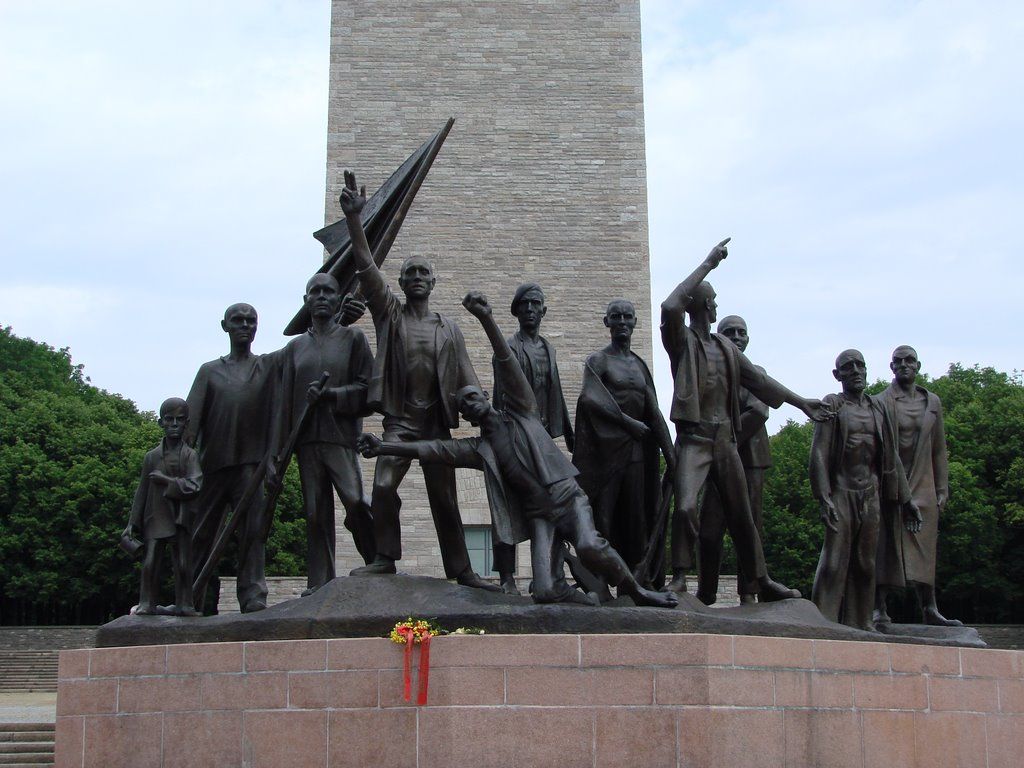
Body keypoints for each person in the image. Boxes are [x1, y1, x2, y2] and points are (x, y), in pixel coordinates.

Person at [358, 292, 679, 609]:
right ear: (466, 417)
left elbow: (506, 360)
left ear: (485, 396)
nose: (469, 405)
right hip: (543, 515)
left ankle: (638, 592)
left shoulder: (523, 410)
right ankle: (580, 599)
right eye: (464, 406)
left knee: (588, 544)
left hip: (568, 500)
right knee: (544, 591)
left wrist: (485, 318)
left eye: (472, 397)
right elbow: (432, 448)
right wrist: (384, 445)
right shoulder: (479, 449)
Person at [340, 170, 495, 591]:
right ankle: (385, 557)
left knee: (445, 500)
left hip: (436, 424)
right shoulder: (390, 314)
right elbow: (367, 266)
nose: (416, 277)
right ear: (403, 284)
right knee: (385, 485)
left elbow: (467, 376)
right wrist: (356, 220)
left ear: (433, 281)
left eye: (423, 272)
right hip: (400, 421)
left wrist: (485, 410)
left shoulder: (449, 329)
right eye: (409, 273)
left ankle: (462, 570)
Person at [660, 238, 828, 601]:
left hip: (726, 441)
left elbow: (762, 383)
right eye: (713, 299)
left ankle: (759, 579)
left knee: (742, 516)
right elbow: (670, 304)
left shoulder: (727, 350)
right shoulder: (682, 342)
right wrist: (708, 263)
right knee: (687, 506)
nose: (717, 303)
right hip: (695, 438)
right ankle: (678, 576)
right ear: (702, 304)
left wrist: (802, 404)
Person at [271, 273, 376, 596]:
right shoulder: (294, 349)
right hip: (306, 442)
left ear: (337, 298)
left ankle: (376, 561)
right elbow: (283, 404)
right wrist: (276, 455)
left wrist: (332, 395)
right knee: (316, 513)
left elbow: (369, 390)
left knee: (356, 502)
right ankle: (319, 581)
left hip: (340, 437)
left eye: (327, 291)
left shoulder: (353, 339)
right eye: (314, 292)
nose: (320, 296)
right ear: (306, 301)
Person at [809, 349, 919, 631]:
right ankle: (823, 622)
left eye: (860, 365)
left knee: (866, 563)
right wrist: (823, 497)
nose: (856, 370)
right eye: (848, 367)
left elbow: (892, 456)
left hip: (870, 493)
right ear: (838, 375)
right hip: (841, 491)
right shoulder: (833, 405)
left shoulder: (877, 408)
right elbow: (819, 453)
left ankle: (860, 622)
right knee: (834, 561)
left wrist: (907, 499)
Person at [573, 299, 674, 587]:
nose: (621, 322)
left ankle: (635, 582)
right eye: (615, 317)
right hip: (605, 454)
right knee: (602, 519)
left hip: (636, 455)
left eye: (627, 317)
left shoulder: (639, 366)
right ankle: (598, 581)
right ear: (606, 322)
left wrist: (672, 456)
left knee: (636, 518)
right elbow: (589, 398)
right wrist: (627, 422)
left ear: (634, 322)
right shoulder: (599, 360)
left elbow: (653, 413)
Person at [489, 283, 574, 594]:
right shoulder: (509, 347)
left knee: (550, 505)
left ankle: (552, 574)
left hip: (540, 437)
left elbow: (557, 394)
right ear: (516, 311)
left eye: (535, 304)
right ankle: (507, 578)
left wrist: (566, 432)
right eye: (523, 304)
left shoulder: (548, 348)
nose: (529, 310)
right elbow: (500, 392)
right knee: (505, 507)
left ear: (543, 310)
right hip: (513, 434)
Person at [874, 345, 960, 626]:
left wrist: (942, 488)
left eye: (909, 360)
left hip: (924, 482)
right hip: (891, 481)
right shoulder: (881, 402)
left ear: (918, 365)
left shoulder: (931, 402)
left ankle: (930, 607)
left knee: (925, 545)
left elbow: (939, 449)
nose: (903, 365)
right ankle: (879, 606)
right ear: (891, 368)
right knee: (886, 542)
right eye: (897, 361)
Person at [696, 315, 772, 605]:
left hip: (749, 460)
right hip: (718, 463)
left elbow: (759, 412)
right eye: (730, 332)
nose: (737, 337)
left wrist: (724, 442)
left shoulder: (756, 373)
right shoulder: (710, 372)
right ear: (720, 337)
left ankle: (749, 591)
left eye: (742, 332)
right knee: (709, 529)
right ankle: (706, 591)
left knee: (749, 526)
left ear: (748, 339)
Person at [124, 398, 202, 616]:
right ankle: (146, 603)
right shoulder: (151, 456)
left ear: (187, 423)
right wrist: (132, 522)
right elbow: (142, 491)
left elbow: (195, 484)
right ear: (161, 423)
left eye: (179, 420)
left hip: (180, 516)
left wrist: (166, 481)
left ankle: (185, 604)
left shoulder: (190, 455)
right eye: (169, 419)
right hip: (156, 515)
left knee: (184, 564)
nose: (174, 424)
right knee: (150, 563)